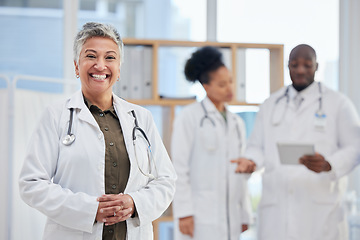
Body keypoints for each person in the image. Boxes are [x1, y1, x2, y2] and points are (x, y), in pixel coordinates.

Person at [18, 22, 176, 240]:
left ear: (119, 69)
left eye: (110, 58)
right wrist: (89, 210)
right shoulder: (55, 116)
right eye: (91, 56)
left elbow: (166, 180)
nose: (100, 65)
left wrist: (134, 203)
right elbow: (31, 184)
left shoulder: (141, 118)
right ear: (76, 66)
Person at [235, 44, 360, 240]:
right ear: (288, 66)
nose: (300, 70)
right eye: (295, 65)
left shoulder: (338, 103)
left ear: (316, 66)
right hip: (277, 210)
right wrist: (251, 161)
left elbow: (355, 146)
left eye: (307, 65)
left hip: (320, 210)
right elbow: (256, 146)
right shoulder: (271, 104)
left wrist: (330, 164)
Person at [171, 46, 252, 240]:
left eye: (231, 81)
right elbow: (179, 169)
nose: (230, 89)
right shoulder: (189, 117)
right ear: (206, 86)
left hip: (231, 215)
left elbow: (240, 172)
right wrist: (184, 213)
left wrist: (245, 212)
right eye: (222, 84)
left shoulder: (236, 122)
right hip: (199, 215)